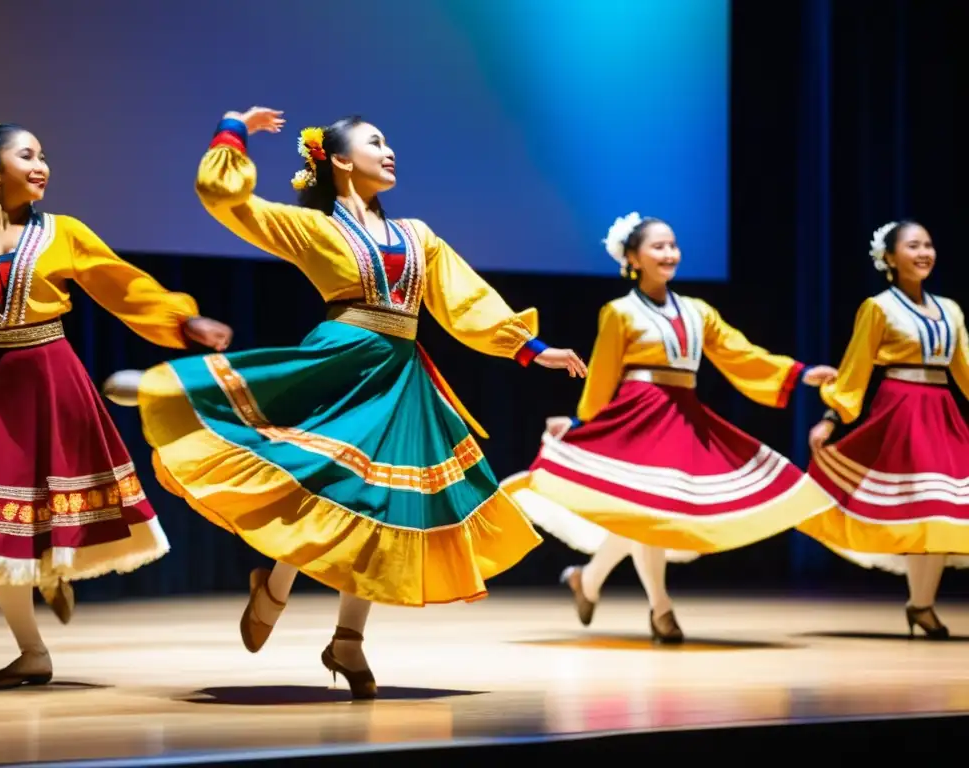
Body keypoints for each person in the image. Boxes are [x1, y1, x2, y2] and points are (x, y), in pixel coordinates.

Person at [104, 106, 587, 698]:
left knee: (379, 501)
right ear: (338, 160)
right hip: (342, 362)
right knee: (326, 480)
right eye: (375, 142)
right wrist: (233, 129)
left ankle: (346, 638)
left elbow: (466, 299)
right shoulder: (317, 229)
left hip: (400, 377)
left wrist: (529, 347)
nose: (389, 151)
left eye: (389, 142)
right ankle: (172, 396)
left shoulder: (419, 236)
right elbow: (227, 201)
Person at [0, 115, 232, 689]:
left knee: (41, 507)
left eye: (42, 155)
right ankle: (32, 649)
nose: (41, 166)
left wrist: (184, 319)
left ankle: (52, 573)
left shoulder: (64, 233)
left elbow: (120, 284)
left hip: (49, 381)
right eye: (27, 156)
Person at [502, 212, 837, 642]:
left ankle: (587, 581)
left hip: (682, 416)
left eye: (673, 245)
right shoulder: (619, 312)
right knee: (649, 512)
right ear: (634, 258)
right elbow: (603, 373)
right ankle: (661, 609)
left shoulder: (698, 311)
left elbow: (739, 352)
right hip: (636, 417)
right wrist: (583, 422)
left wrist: (798, 372)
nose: (669, 253)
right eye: (658, 246)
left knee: (651, 513)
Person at [800, 219, 969, 640]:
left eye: (929, 244)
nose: (924, 252)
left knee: (942, 511)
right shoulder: (879, 308)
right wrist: (832, 417)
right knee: (925, 508)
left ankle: (920, 604)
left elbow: (964, 368)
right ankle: (923, 605)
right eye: (913, 246)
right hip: (901, 412)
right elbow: (856, 369)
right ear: (890, 258)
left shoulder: (950, 309)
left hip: (942, 412)